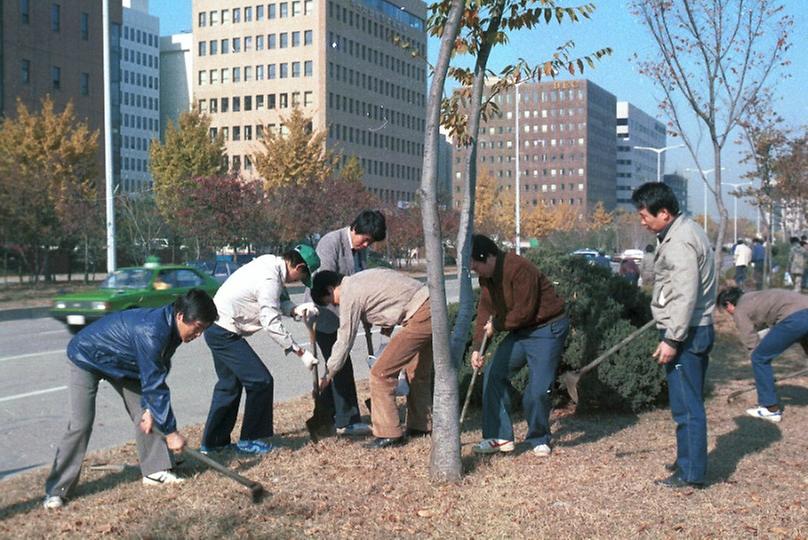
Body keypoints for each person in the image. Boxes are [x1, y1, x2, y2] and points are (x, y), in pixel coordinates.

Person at [43, 289, 219, 509]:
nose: (199, 335)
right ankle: (57, 491)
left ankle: (155, 471)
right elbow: (155, 385)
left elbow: (160, 367)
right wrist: (172, 433)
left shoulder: (172, 327)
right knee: (81, 423)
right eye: (198, 328)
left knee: (148, 413)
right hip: (86, 356)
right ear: (181, 316)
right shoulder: (152, 331)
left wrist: (148, 407)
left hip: (124, 364)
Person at [632, 182, 716, 489]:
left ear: (664, 213)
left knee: (686, 407)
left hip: (688, 332)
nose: (642, 221)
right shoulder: (684, 231)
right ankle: (689, 463)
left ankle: (690, 473)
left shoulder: (680, 241)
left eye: (645, 215)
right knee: (688, 403)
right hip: (693, 328)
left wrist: (672, 339)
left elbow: (685, 294)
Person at [200, 245, 321, 455]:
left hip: (217, 326)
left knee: (229, 385)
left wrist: (294, 310)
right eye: (301, 277)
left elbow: (278, 300)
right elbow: (271, 323)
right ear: (299, 266)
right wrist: (300, 352)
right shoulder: (270, 279)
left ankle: (213, 443)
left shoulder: (271, 263)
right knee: (260, 381)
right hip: (223, 331)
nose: (297, 282)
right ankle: (250, 440)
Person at [468, 234, 569, 458]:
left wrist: (497, 325)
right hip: (520, 330)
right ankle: (499, 437)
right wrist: (478, 347)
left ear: (489, 257)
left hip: (547, 328)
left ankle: (539, 437)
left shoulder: (520, 268)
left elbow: (524, 312)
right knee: (494, 373)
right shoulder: (487, 278)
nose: (474, 270)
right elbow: (485, 311)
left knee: (538, 389)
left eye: (475, 264)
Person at [311, 268, 432, 449]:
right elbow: (392, 298)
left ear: (330, 289)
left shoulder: (349, 293)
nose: (334, 305)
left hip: (419, 315)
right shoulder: (361, 278)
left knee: (380, 374)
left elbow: (344, 340)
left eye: (330, 302)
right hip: (431, 305)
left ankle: (389, 434)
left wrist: (328, 374)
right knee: (417, 373)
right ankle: (420, 426)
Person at [304, 210, 386, 436]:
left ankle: (333, 413)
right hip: (323, 312)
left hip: (344, 315)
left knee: (337, 363)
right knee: (340, 363)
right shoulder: (331, 242)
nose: (366, 244)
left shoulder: (360, 251)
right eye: (365, 238)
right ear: (356, 228)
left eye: (370, 242)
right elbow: (323, 283)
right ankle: (346, 420)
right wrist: (350, 310)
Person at [717, 287, 808, 423]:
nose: (729, 313)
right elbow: (765, 329)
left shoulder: (740, 310)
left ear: (729, 304)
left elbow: (750, 340)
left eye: (726, 309)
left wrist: (761, 370)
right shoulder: (754, 296)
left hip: (794, 318)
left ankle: (770, 409)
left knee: (759, 358)